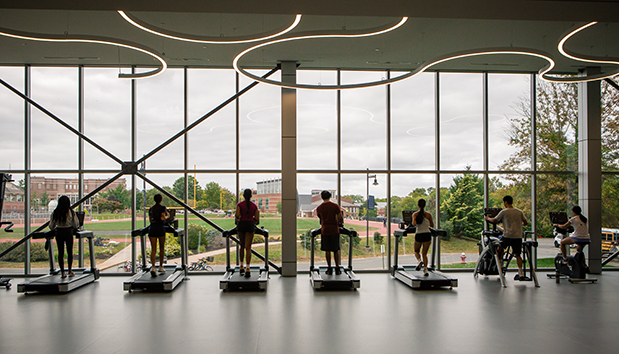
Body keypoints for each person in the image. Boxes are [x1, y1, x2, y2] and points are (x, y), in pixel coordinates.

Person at [485, 195, 529, 280]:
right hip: (518, 236)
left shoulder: (504, 212)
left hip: (507, 236)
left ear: (505, 202)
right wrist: (520, 225)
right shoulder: (519, 212)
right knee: (517, 254)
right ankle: (521, 272)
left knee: (499, 250)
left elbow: (495, 220)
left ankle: (500, 266)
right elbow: (526, 222)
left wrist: (487, 218)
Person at [49, 195, 79, 278]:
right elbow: (75, 224)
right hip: (68, 231)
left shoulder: (55, 212)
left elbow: (51, 226)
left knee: (60, 252)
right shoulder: (71, 212)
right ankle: (70, 270)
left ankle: (62, 272)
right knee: (69, 251)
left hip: (59, 232)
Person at [316, 190, 343, 275]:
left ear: (322, 197)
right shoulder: (335, 206)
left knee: (327, 250)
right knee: (335, 250)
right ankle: (337, 268)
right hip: (334, 230)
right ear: (330, 196)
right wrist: (340, 223)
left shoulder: (319, 208)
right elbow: (340, 217)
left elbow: (320, 219)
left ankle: (329, 268)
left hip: (325, 230)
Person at [235, 189, 260, 278]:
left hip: (241, 225)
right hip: (250, 225)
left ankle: (241, 265)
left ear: (243, 196)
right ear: (251, 196)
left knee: (241, 246)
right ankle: (248, 268)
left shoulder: (239, 205)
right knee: (248, 247)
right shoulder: (254, 206)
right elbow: (257, 219)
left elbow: (237, 216)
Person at [148, 194, 169, 277]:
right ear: (161, 200)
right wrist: (168, 216)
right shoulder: (162, 208)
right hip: (160, 228)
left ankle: (153, 267)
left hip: (152, 228)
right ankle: (161, 266)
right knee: (162, 248)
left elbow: (150, 220)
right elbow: (162, 218)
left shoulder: (151, 209)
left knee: (153, 249)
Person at [412, 199, 434, 276]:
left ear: (418, 205)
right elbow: (432, 225)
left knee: (416, 251)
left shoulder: (415, 214)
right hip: (427, 234)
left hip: (419, 234)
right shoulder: (428, 215)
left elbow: (414, 224)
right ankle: (425, 269)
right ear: (425, 205)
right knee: (424, 253)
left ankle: (419, 261)